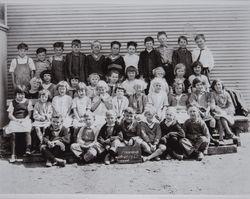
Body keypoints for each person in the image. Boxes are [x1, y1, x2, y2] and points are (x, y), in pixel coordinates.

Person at [4, 85, 33, 163]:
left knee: (27, 130)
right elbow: (10, 115)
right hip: (15, 120)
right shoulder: (13, 102)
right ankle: (13, 154)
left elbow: (29, 114)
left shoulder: (28, 102)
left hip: (25, 120)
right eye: (19, 94)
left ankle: (28, 149)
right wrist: (16, 120)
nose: (21, 96)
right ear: (16, 95)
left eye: (23, 94)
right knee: (13, 133)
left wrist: (25, 119)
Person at [189, 78, 220, 146]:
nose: (200, 86)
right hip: (198, 113)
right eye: (197, 85)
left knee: (212, 121)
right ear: (194, 86)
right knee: (200, 122)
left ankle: (209, 138)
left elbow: (210, 104)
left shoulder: (208, 94)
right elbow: (194, 105)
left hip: (207, 112)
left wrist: (206, 112)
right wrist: (201, 112)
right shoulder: (193, 95)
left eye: (201, 85)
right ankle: (210, 140)